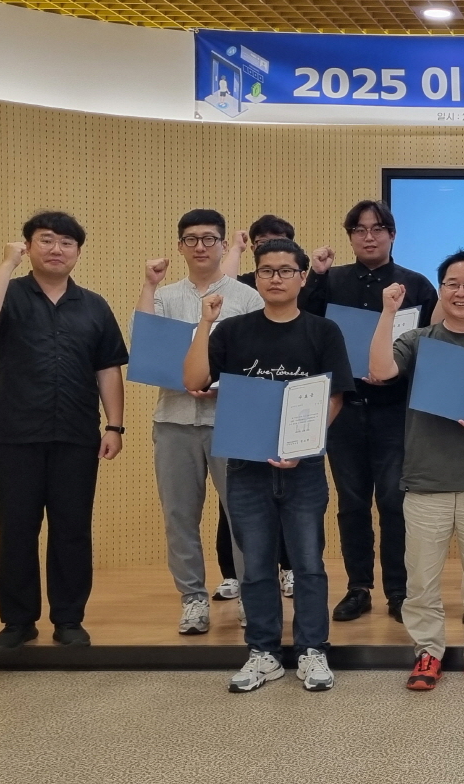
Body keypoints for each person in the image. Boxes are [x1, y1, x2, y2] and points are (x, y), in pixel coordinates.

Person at [184, 237, 354, 693]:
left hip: (304, 466)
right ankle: (264, 652)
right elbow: (194, 379)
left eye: (285, 271)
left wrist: (303, 444)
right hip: (247, 465)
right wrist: (205, 322)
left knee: (308, 563)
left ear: (302, 277)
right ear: (255, 277)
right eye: (266, 271)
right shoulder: (233, 331)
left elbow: (335, 397)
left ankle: (313, 649)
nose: (275, 278)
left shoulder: (323, 331)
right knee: (256, 565)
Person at [0, 212, 128, 649]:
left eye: (67, 243)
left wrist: (114, 425)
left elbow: (108, 368)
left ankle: (69, 618)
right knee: (16, 529)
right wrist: (7, 264)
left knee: (72, 529)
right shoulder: (7, 293)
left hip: (76, 434)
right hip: (12, 434)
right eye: (47, 240)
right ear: (28, 245)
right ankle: (18, 621)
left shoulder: (94, 305)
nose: (57, 249)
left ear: (78, 252)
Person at [369, 250, 464, 691]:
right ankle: (428, 653)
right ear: (441, 290)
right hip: (426, 480)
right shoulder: (419, 341)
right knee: (421, 580)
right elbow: (379, 370)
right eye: (453, 283)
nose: (461, 292)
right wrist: (388, 312)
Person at [303, 200, 438, 623]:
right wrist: (315, 276)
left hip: (395, 412)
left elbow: (430, 347)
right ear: (350, 237)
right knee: (352, 503)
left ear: (392, 234)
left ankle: (398, 591)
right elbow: (305, 325)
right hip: (344, 408)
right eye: (359, 230)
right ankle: (358, 587)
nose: (369, 237)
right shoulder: (332, 280)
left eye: (378, 228)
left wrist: (395, 372)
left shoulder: (415, 285)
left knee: (395, 503)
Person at [136, 209, 262, 635]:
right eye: (191, 239)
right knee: (179, 516)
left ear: (224, 245)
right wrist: (149, 285)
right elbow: (147, 345)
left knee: (243, 515)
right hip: (174, 420)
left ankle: (251, 596)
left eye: (209, 239)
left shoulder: (247, 297)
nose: (200, 246)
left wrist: (220, 384)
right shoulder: (166, 295)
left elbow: (259, 360)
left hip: (232, 421)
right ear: (180, 247)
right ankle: (192, 599)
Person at [221, 213, 299, 596]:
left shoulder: (304, 307)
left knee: (293, 508)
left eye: (277, 241)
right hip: (244, 425)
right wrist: (235, 249)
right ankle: (235, 575)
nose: (275, 277)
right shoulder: (242, 302)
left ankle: (288, 568)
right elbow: (225, 287)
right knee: (235, 505)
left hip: (294, 426)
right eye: (261, 244)